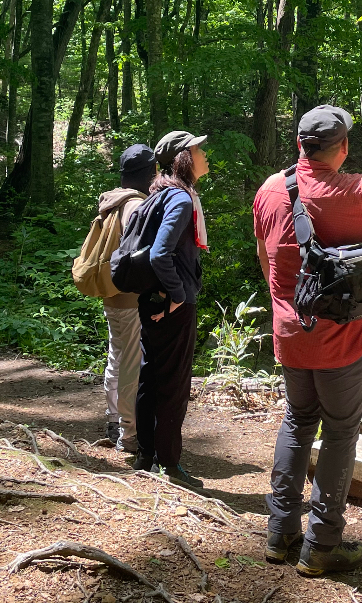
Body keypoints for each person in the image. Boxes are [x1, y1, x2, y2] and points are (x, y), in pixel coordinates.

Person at [253, 100, 362, 577]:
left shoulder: (270, 190)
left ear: (299, 145)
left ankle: (280, 531)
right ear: (344, 148)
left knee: (297, 419)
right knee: (340, 431)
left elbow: (264, 259)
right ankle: (323, 543)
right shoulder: (348, 192)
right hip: (340, 340)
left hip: (289, 333)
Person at [133, 129, 210, 491]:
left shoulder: (156, 196)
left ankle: (145, 455)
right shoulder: (179, 199)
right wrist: (178, 294)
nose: (204, 155)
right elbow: (159, 253)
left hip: (151, 298)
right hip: (171, 302)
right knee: (174, 383)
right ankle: (170, 463)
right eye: (199, 150)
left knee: (150, 375)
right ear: (184, 157)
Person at [97, 143, 157, 453]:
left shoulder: (111, 202)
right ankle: (129, 433)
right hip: (131, 296)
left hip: (111, 294)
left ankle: (113, 419)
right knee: (132, 364)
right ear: (149, 173)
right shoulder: (137, 206)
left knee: (117, 357)